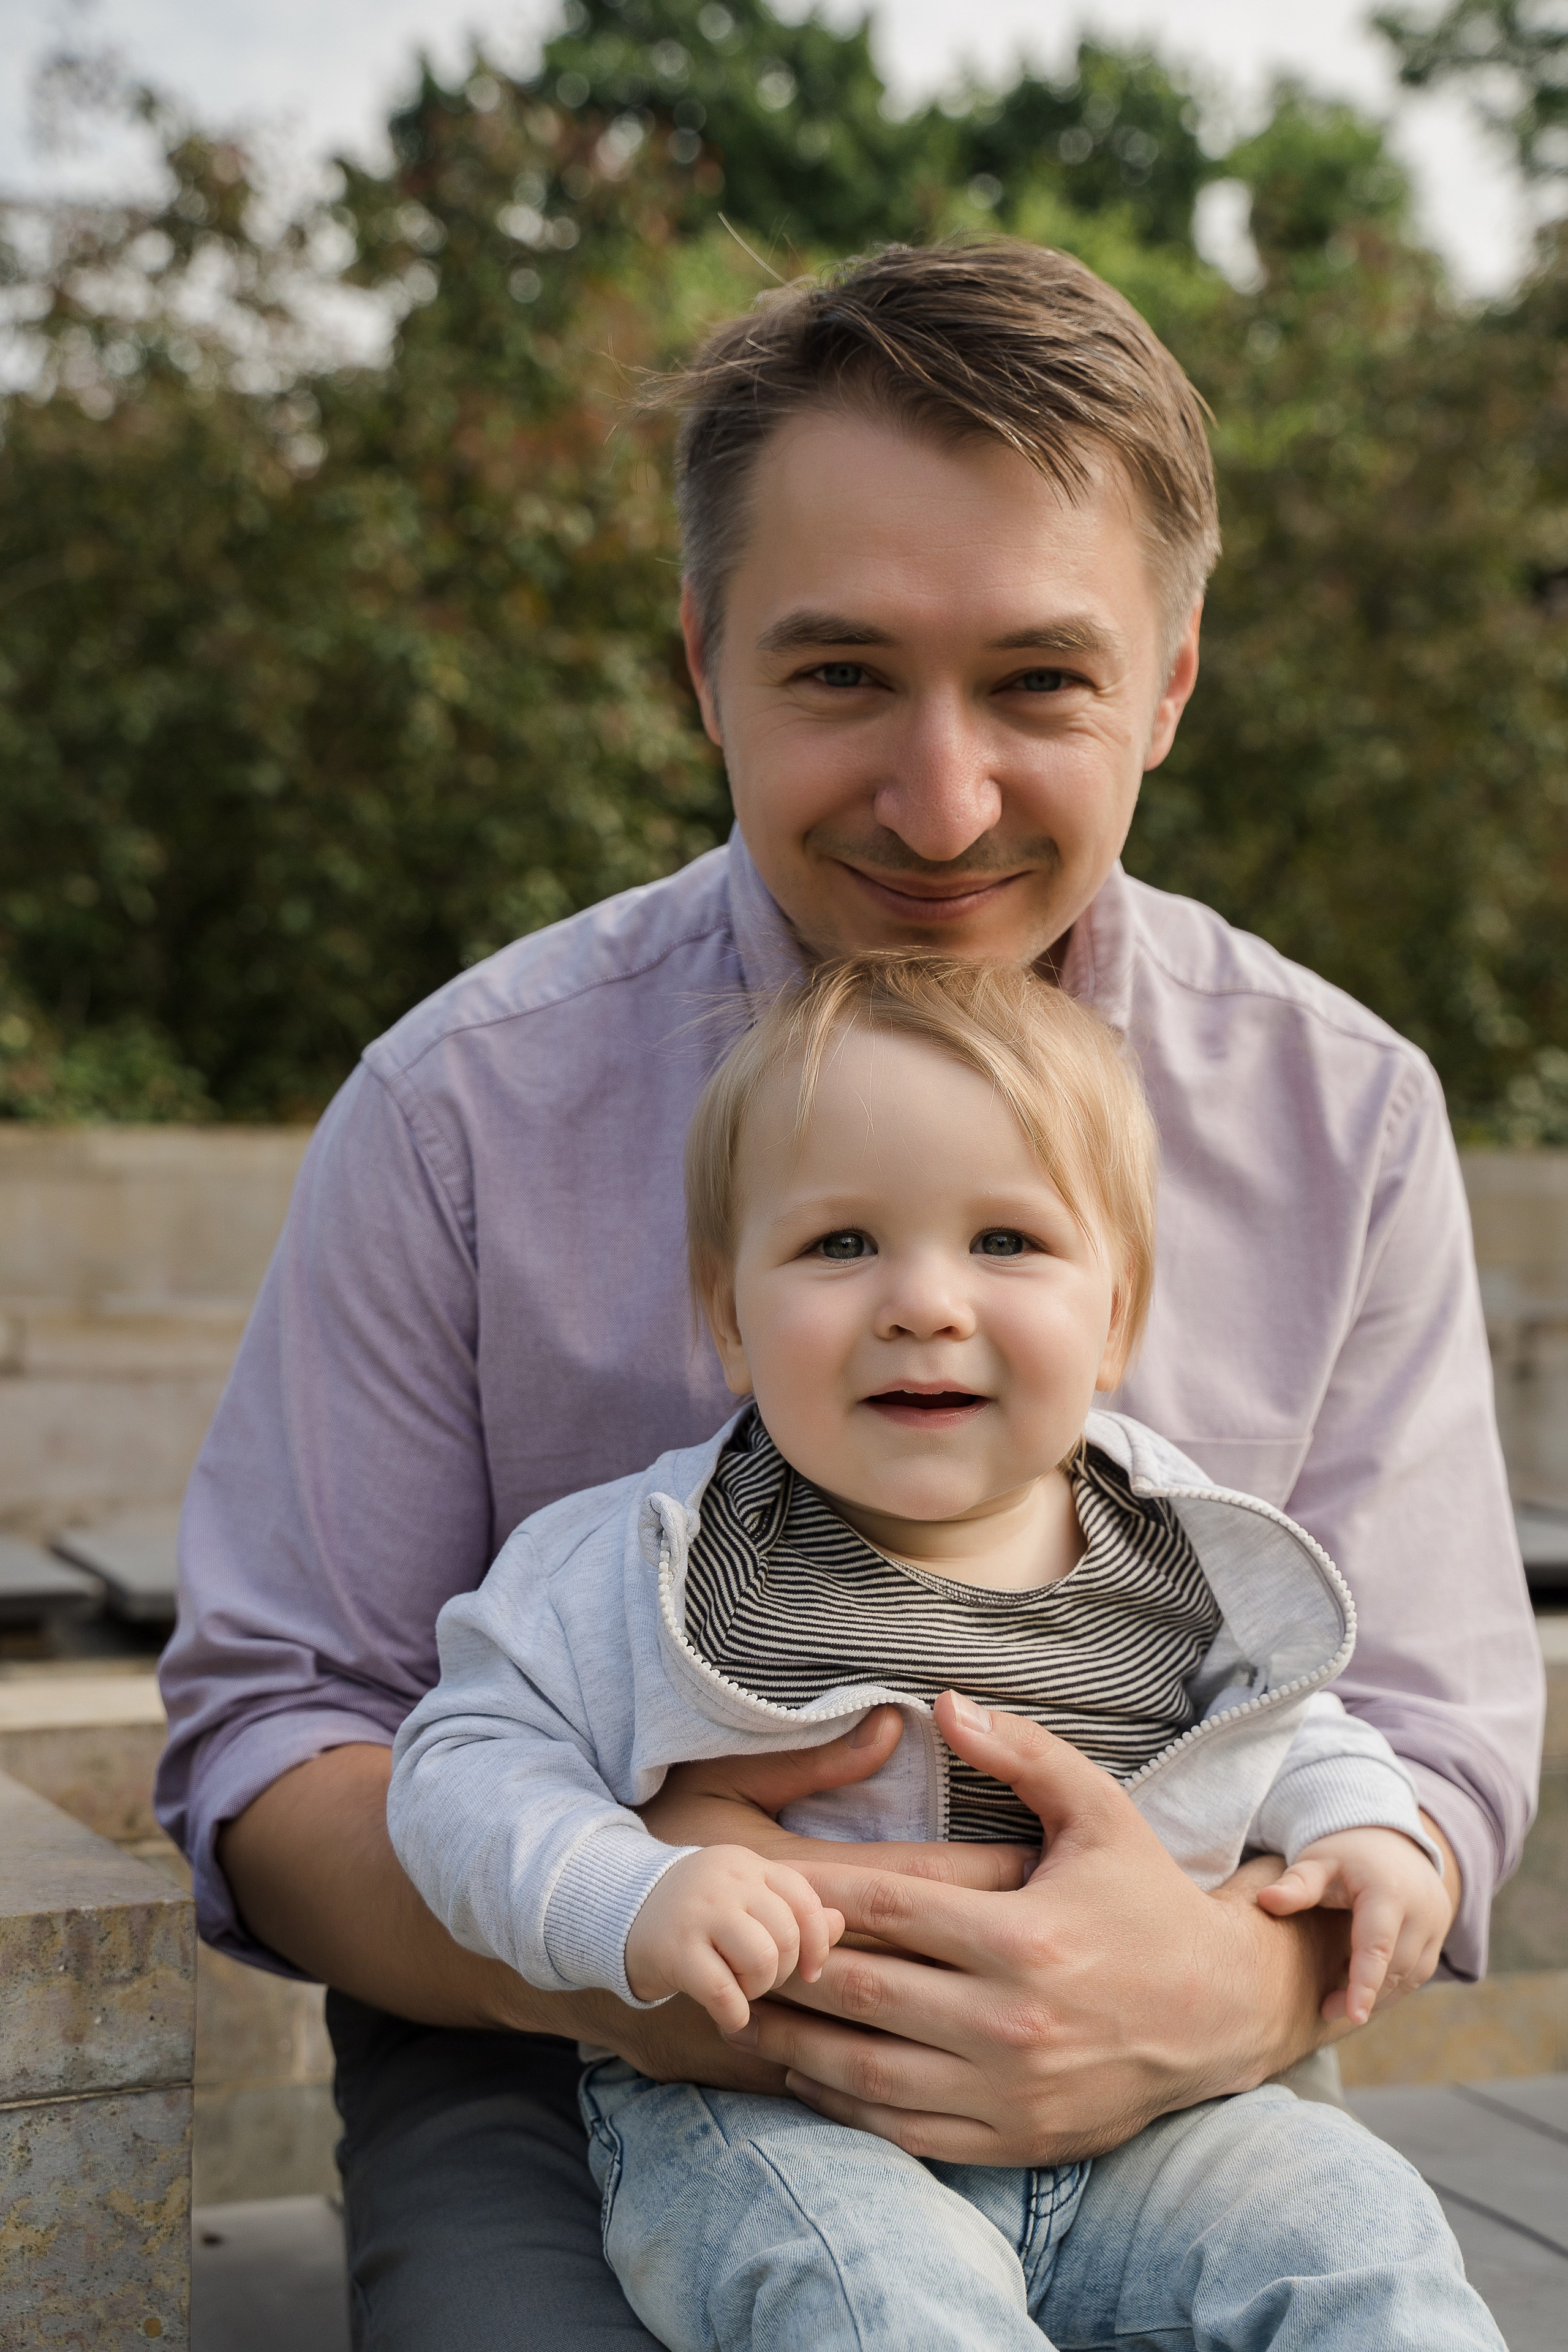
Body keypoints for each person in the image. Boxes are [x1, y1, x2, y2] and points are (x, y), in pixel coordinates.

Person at [156, 241, 1543, 2350]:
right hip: (565, 2057)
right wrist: (668, 1952)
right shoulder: (457, 1112)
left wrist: (1226, 1982)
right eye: (840, 676)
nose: (943, 799)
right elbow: (277, 1750)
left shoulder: (1340, 1113)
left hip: (1172, 2068)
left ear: (1169, 682)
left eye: (1041, 682)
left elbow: (1429, 1735)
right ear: (703, 661)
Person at [387, 952, 1494, 2351]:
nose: (923, 1301)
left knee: (1354, 2228)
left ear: (1117, 1316)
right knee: (873, 2303)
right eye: (840, 1244)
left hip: (1151, 2131)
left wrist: (1364, 1831)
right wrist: (629, 1893)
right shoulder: (646, 1557)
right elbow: (463, 1761)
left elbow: (1286, 1720)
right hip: (783, 2122)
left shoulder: (1184, 1553)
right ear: (728, 1314)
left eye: (1005, 1243)